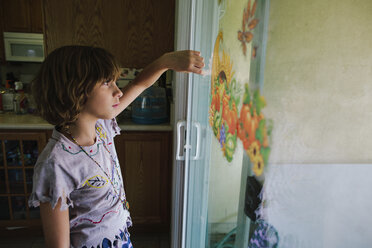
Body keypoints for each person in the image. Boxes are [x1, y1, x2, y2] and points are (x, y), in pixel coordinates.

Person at [28, 45, 204, 248]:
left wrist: (165, 62)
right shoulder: (56, 163)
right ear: (76, 90)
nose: (118, 91)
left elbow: (139, 84)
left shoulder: (101, 125)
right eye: (107, 83)